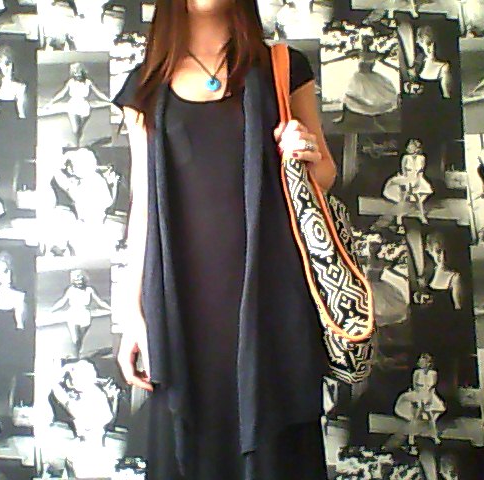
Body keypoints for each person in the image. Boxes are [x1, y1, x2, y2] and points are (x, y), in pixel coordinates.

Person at [111, 0, 337, 478]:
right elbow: (142, 205)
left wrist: (306, 152)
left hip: (271, 298)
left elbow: (326, 177)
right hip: (181, 301)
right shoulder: (145, 86)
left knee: (275, 451)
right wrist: (132, 314)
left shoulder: (282, 67)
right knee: (191, 446)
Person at [41, 63, 111, 147]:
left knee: (79, 129)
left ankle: (78, 143)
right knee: (75, 130)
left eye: (79, 72)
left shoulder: (88, 82)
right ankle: (77, 145)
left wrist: (110, 100)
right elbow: (62, 93)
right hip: (73, 106)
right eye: (75, 72)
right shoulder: (71, 82)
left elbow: (98, 93)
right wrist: (51, 102)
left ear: (83, 72)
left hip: (84, 107)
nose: (77, 74)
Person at [50, 269, 111, 357]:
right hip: (73, 315)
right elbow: (62, 301)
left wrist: (110, 309)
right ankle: (76, 356)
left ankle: (77, 354)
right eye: (76, 280)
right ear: (73, 281)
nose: (78, 282)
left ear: (84, 280)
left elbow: (100, 301)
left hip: (85, 316)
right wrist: (52, 309)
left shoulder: (89, 290)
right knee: (75, 339)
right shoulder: (70, 290)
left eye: (80, 279)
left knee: (80, 339)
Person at [394, 353, 446, 452]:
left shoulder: (433, 373)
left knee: (431, 417)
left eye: (423, 362)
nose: (421, 363)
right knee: (415, 417)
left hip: (429, 396)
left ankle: (434, 436)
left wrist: (428, 400)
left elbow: (432, 388)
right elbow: (415, 387)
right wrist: (419, 400)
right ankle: (411, 438)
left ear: (428, 363)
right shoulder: (417, 372)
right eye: (420, 362)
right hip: (418, 395)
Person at [382, 138, 433, 224]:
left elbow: (421, 171)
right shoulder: (405, 157)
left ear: (416, 148)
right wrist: (407, 182)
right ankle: (399, 217)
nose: (409, 148)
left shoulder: (422, 158)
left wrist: (417, 181)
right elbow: (403, 171)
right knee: (403, 198)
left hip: (417, 179)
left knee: (418, 198)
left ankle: (421, 215)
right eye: (409, 146)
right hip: (407, 178)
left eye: (411, 146)